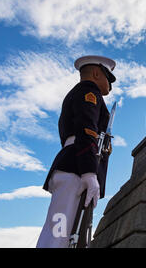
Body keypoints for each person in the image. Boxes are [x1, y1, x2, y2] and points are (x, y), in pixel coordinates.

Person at [36, 55, 116, 248]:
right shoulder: (88, 92)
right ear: (96, 73)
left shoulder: (78, 94)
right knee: (59, 232)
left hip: (75, 164)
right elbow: (86, 129)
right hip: (77, 169)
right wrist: (89, 172)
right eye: (108, 78)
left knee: (71, 232)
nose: (110, 85)